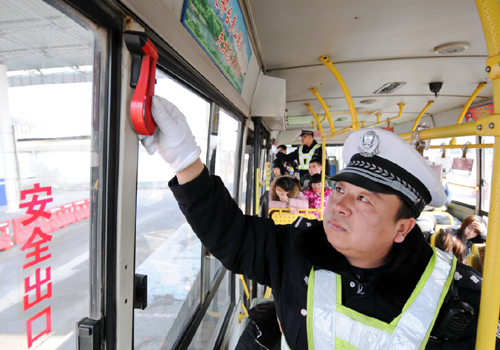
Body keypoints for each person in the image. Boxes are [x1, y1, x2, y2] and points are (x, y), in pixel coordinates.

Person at [142, 96, 498, 350]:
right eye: (340, 188)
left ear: (402, 228)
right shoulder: (296, 250)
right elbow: (231, 236)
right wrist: (186, 161)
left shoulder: (463, 298)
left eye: (364, 199)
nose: (339, 205)